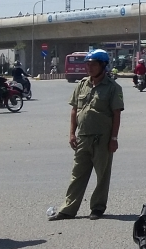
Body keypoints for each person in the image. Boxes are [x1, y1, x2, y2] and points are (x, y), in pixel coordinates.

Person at [48, 49, 124, 221]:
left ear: (103, 66)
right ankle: (68, 209)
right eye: (88, 65)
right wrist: (71, 134)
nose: (89, 68)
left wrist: (114, 139)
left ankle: (97, 207)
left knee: (102, 175)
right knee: (77, 174)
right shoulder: (82, 84)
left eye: (93, 65)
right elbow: (74, 110)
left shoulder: (113, 88)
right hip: (82, 137)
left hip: (102, 139)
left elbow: (116, 114)